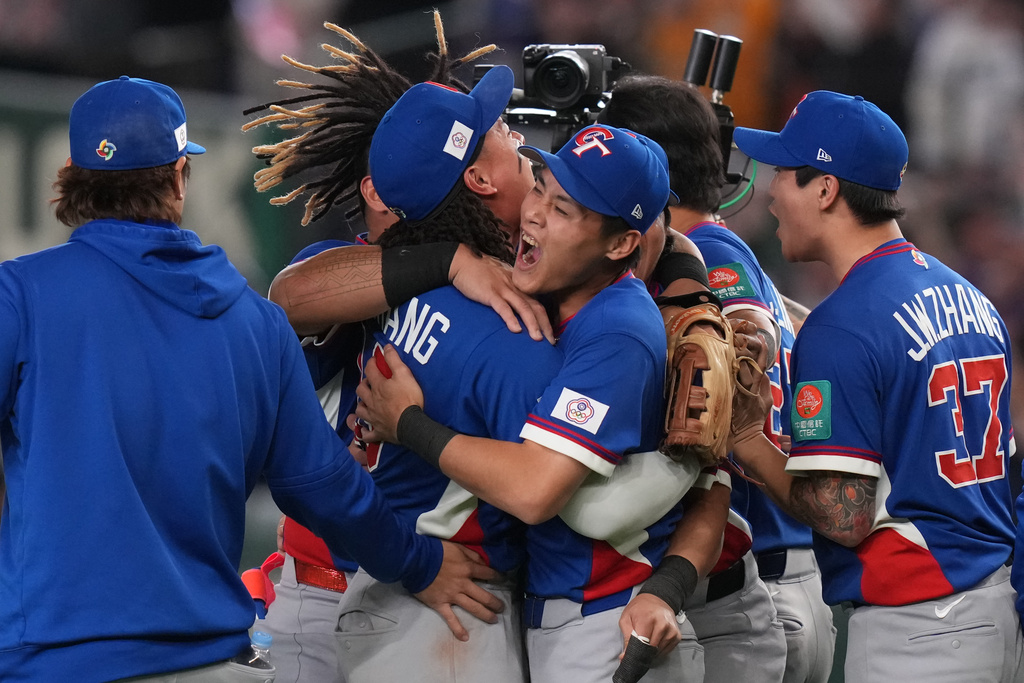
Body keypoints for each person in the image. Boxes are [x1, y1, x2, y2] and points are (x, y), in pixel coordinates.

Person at [0, 75, 494, 683]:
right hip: (209, 659)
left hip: (54, 659)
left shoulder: (20, 298)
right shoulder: (254, 322)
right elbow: (324, 487)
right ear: (180, 176)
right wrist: (417, 562)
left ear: (69, 175)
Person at [356, 123, 706, 683]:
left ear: (619, 245)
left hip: (609, 622)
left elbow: (533, 490)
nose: (535, 212)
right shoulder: (549, 293)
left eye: (564, 208)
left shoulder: (618, 331)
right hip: (562, 616)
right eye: (540, 185)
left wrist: (409, 424)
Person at [730, 90, 1022, 683]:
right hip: (994, 610)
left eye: (785, 172)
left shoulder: (845, 325)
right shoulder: (969, 297)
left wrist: (747, 437)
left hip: (918, 631)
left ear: (826, 189)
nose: (771, 191)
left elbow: (843, 514)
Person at [601, 74, 833, 683]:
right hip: (782, 571)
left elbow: (746, 342)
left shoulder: (710, 257)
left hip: (762, 570)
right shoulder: (724, 248)